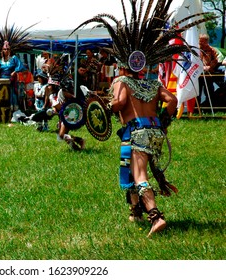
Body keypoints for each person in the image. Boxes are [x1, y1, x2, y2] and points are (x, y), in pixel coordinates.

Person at [73, 0, 214, 237]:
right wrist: (163, 121)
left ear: (124, 61)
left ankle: (155, 216)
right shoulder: (152, 82)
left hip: (137, 133)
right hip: (154, 132)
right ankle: (135, 210)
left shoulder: (121, 82)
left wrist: (104, 105)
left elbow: (118, 103)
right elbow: (171, 100)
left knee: (138, 175)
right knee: (130, 169)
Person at [0, 41, 26, 111]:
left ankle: (14, 109)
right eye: (5, 49)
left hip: (11, 79)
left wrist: (14, 71)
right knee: (4, 94)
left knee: (12, 93)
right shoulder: (0, 60)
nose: (6, 50)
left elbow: (21, 66)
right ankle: (4, 109)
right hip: (3, 80)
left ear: (10, 50)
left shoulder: (14, 58)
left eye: (8, 49)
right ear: (2, 50)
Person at [198, 33, 219, 105]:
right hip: (198, 74)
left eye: (203, 41)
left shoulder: (212, 50)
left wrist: (210, 66)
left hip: (208, 74)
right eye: (200, 41)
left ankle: (209, 107)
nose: (201, 43)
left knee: (209, 91)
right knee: (198, 91)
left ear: (207, 41)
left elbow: (216, 60)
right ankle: (197, 109)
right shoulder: (196, 49)